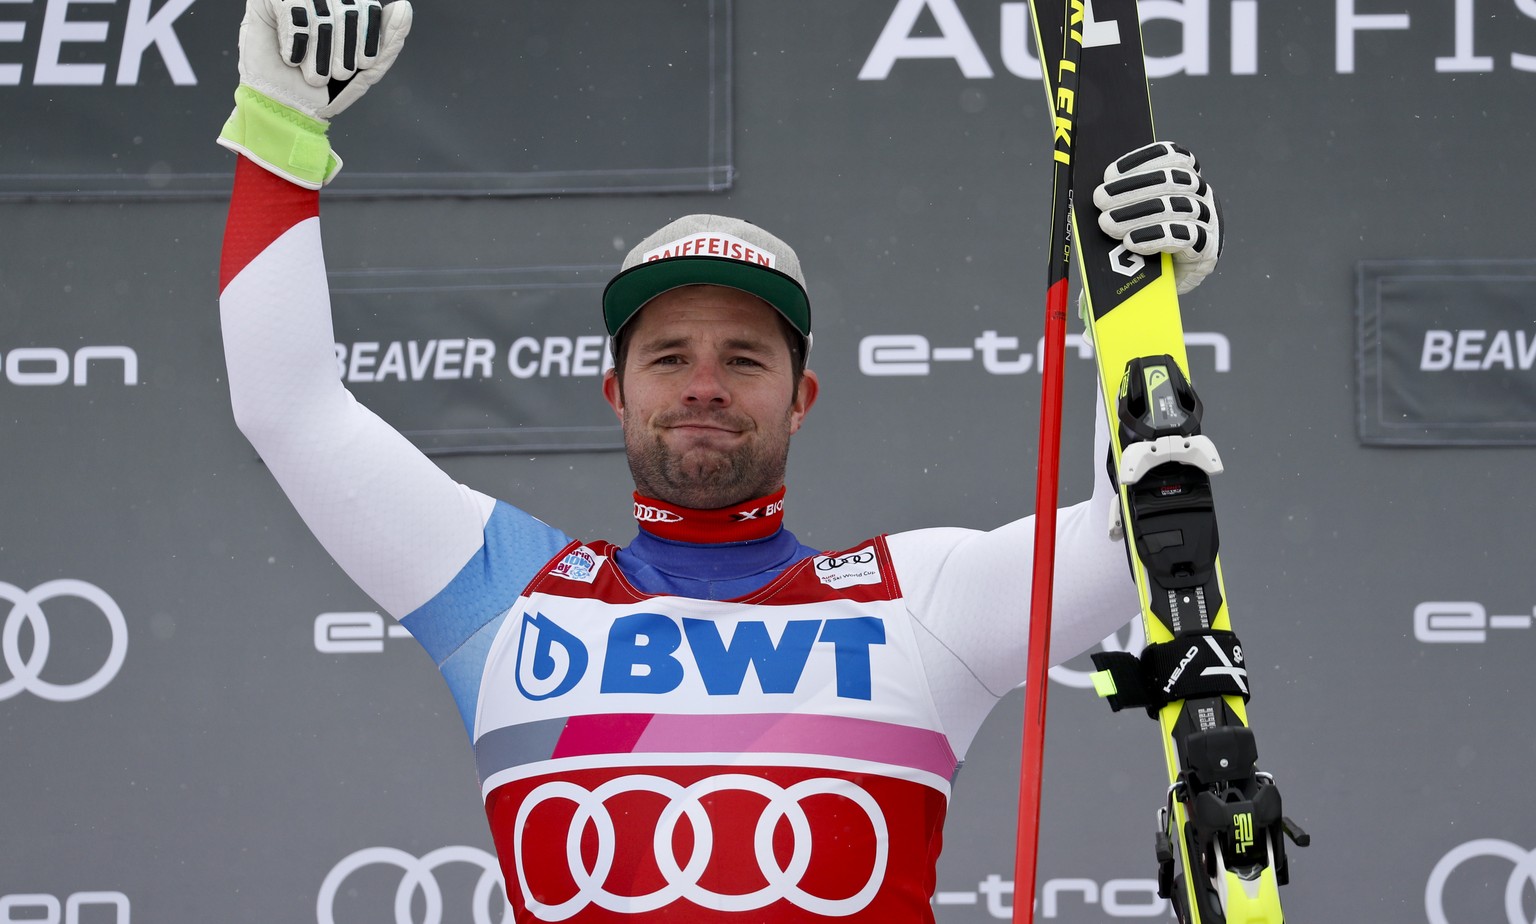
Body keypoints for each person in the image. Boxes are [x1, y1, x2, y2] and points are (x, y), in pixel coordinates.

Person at [216, 1, 1225, 921]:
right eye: (668, 356)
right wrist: (279, 124)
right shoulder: (508, 595)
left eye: (743, 358)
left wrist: (1139, 300)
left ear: (802, 397)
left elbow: (1120, 546)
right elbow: (288, 409)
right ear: (616, 391)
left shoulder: (911, 604)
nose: (704, 384)